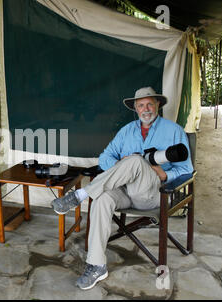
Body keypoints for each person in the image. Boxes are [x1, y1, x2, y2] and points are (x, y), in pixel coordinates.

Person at [51, 86, 193, 290]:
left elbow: (187, 170)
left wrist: (165, 174)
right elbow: (105, 157)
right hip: (125, 191)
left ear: (158, 105)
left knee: (136, 161)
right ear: (135, 108)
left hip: (155, 193)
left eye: (150, 104)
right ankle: (97, 265)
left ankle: (80, 195)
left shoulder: (174, 131)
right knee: (102, 198)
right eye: (141, 105)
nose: (146, 109)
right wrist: (122, 165)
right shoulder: (127, 130)